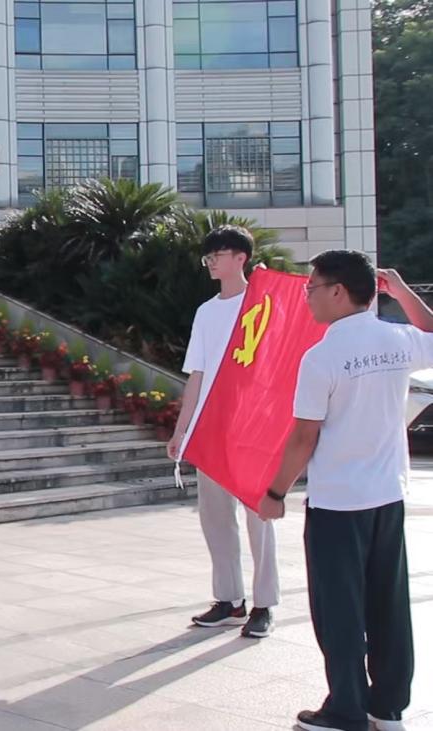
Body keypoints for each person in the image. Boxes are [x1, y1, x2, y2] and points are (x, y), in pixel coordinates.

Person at [259, 254, 427, 731]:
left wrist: (275, 492)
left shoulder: (322, 357)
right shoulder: (398, 340)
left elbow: (304, 436)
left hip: (338, 502)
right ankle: (388, 708)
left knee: (339, 610)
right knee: (388, 604)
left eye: (311, 287)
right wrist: (401, 291)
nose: (307, 296)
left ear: (338, 291)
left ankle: (346, 709)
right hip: (387, 495)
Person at [167, 225, 278, 638]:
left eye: (218, 254)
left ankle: (264, 603)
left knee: (258, 517)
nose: (211, 262)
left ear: (240, 258)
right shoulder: (207, 312)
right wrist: (182, 429)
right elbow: (197, 373)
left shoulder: (263, 305)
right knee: (215, 517)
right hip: (212, 425)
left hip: (253, 425)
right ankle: (230, 600)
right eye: (208, 256)